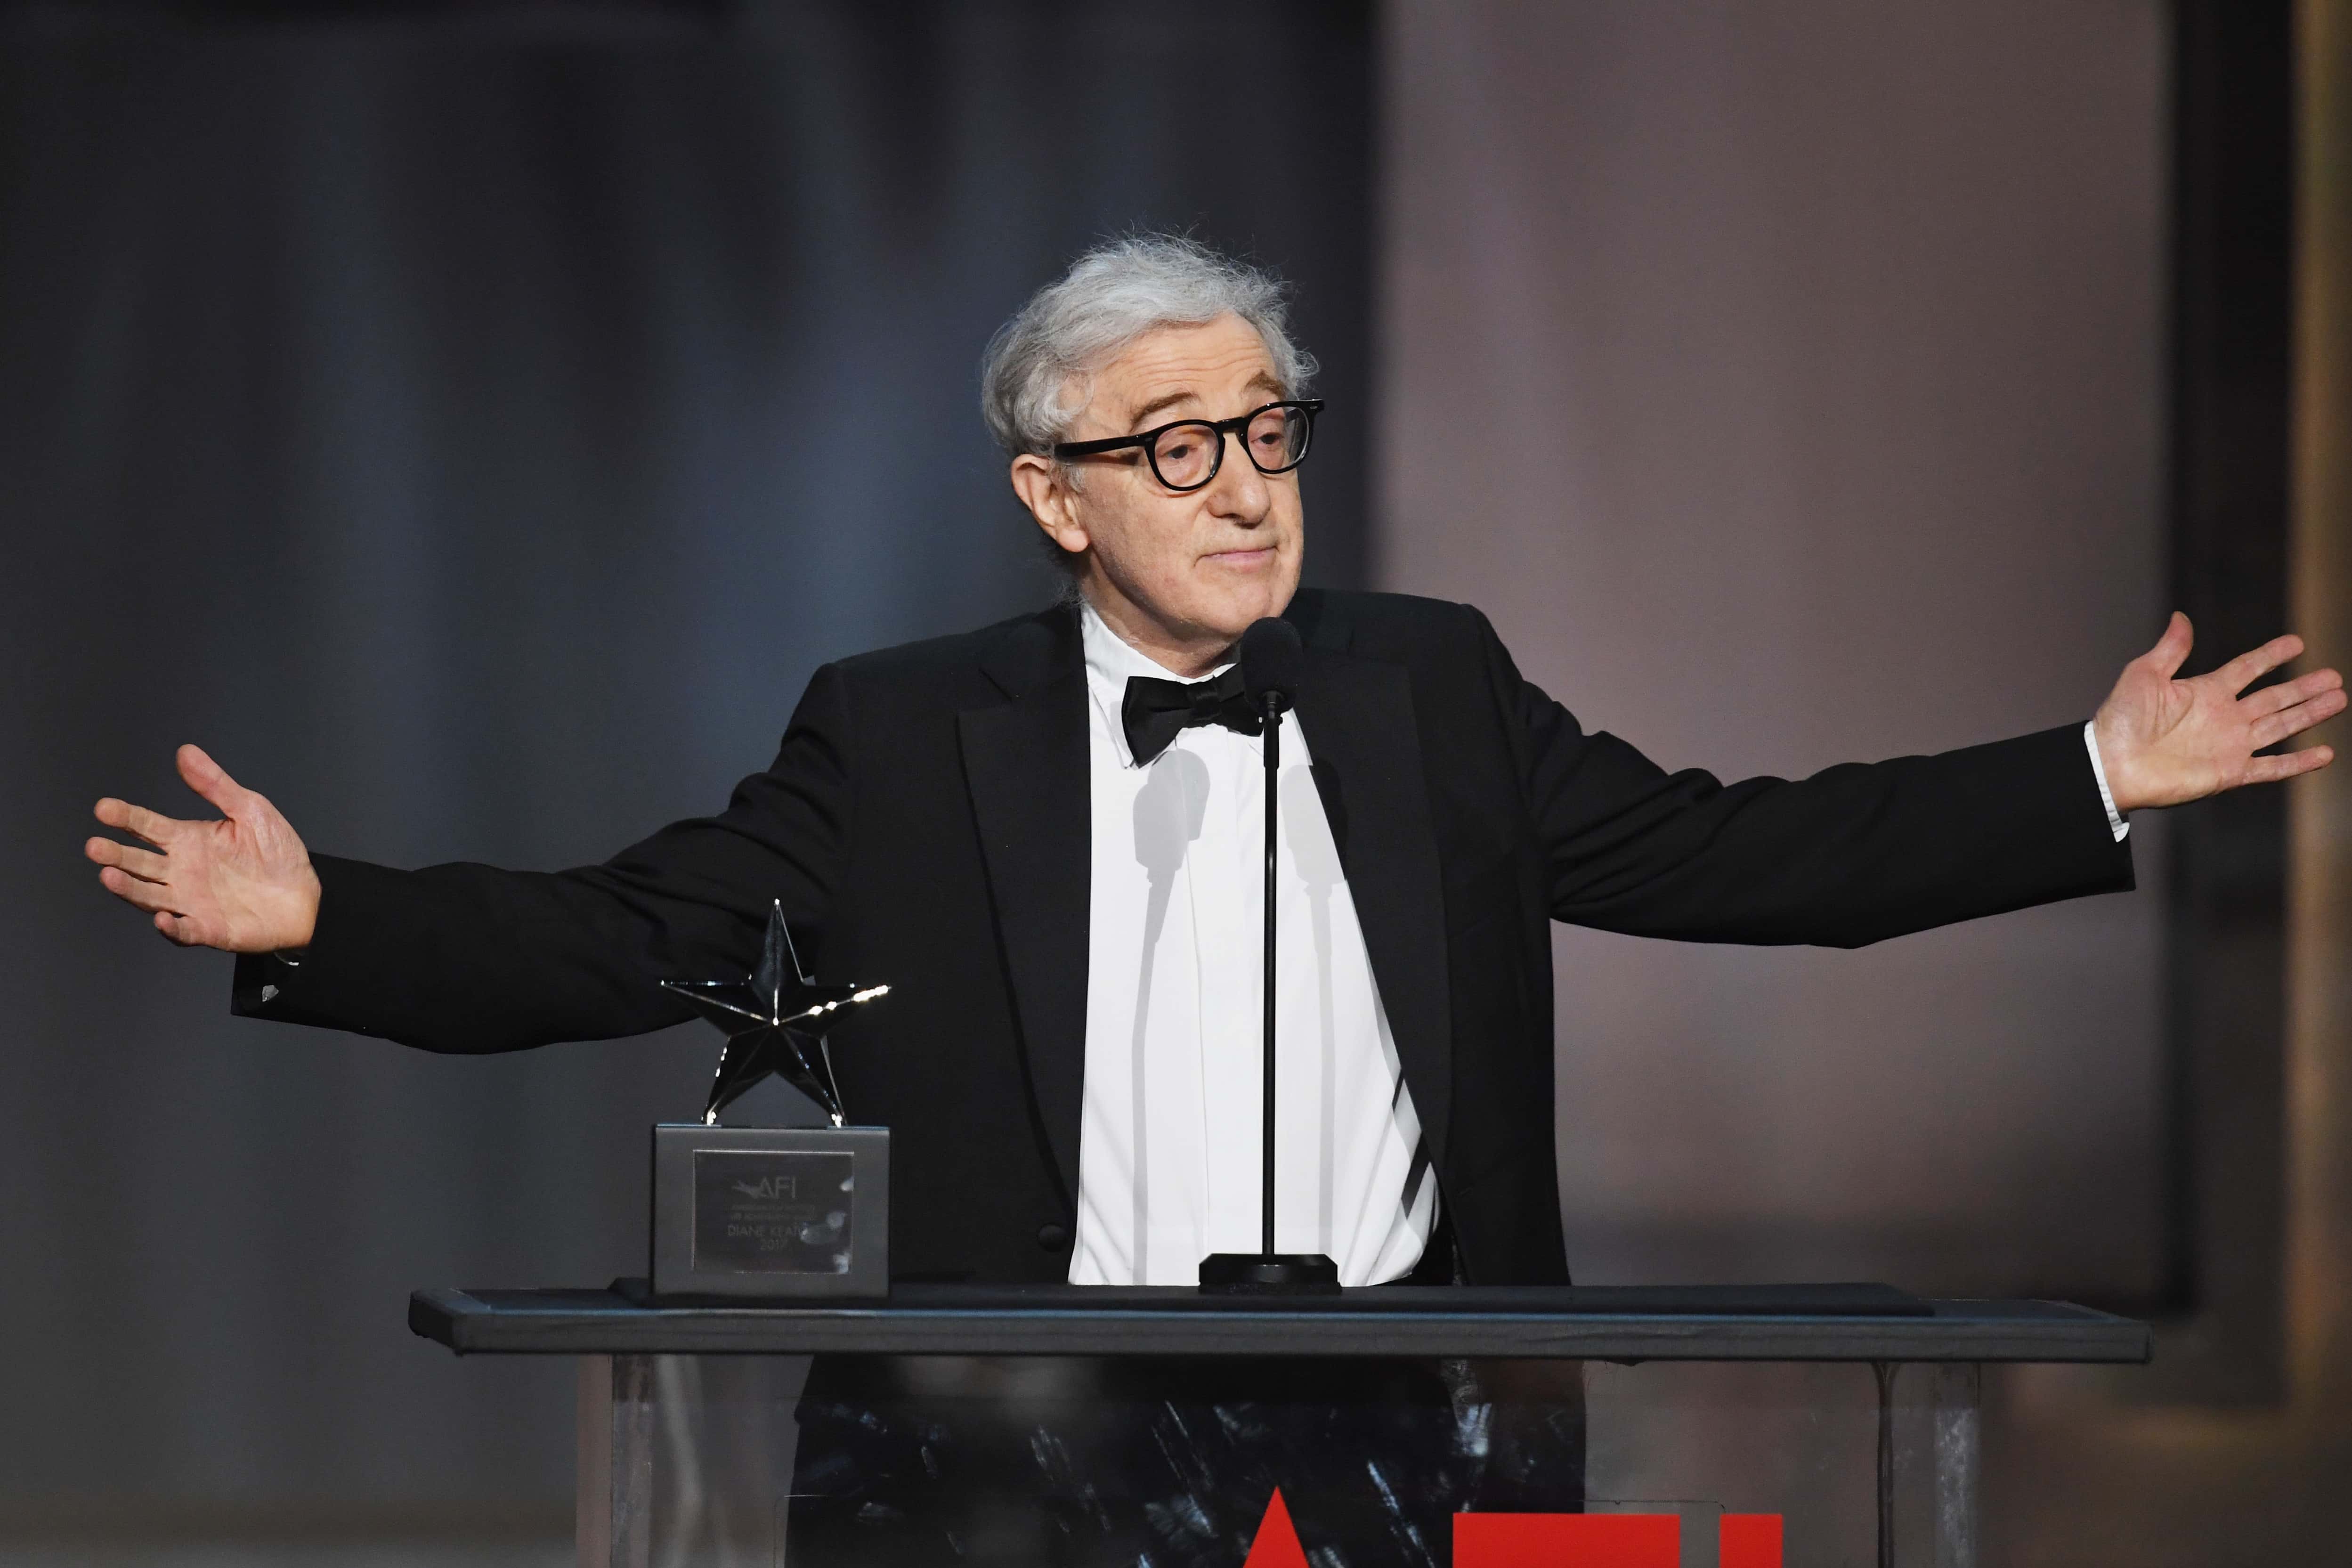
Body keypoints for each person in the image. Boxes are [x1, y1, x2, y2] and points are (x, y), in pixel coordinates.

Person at [82, 236, 2345, 1561]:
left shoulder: (1426, 686)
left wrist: (2085, 778)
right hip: (1002, 1439)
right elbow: (623, 931)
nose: (1243, 484)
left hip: (1393, 1431)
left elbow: (1740, 852)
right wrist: (321, 922)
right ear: (1050, 493)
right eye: (1177, 445)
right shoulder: (901, 729)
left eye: (1268, 429)